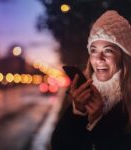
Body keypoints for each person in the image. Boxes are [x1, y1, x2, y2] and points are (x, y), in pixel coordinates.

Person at [51, 10, 131, 150]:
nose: (98, 59)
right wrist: (78, 113)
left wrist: (96, 121)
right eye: (93, 50)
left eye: (108, 50)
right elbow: (59, 145)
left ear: (123, 56)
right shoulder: (83, 93)